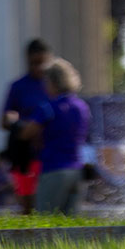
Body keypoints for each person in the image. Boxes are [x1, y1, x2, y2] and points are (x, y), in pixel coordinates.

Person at [0, 39, 55, 215]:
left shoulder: (55, 87)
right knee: (27, 206)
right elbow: (3, 120)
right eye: (34, 63)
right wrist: (12, 120)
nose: (38, 68)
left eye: (42, 63)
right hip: (25, 154)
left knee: (49, 203)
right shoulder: (18, 87)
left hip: (49, 153)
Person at [35, 59, 92, 217]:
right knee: (70, 227)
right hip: (77, 170)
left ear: (53, 81)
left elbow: (28, 132)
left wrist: (15, 124)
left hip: (54, 169)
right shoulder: (81, 107)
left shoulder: (49, 108)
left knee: (45, 222)